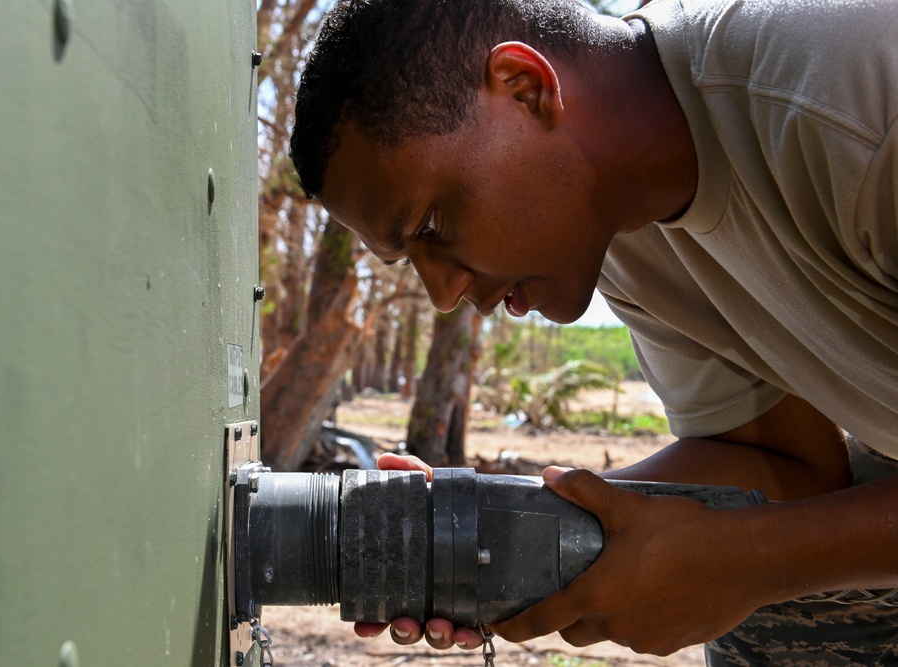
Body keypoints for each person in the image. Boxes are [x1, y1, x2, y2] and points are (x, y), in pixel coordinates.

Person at [288, 0, 898, 662]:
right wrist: (506, 525)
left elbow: (764, 538)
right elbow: (792, 467)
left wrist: (752, 556)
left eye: (431, 225)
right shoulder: (626, 236)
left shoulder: (853, 95)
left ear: (526, 88)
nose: (443, 294)